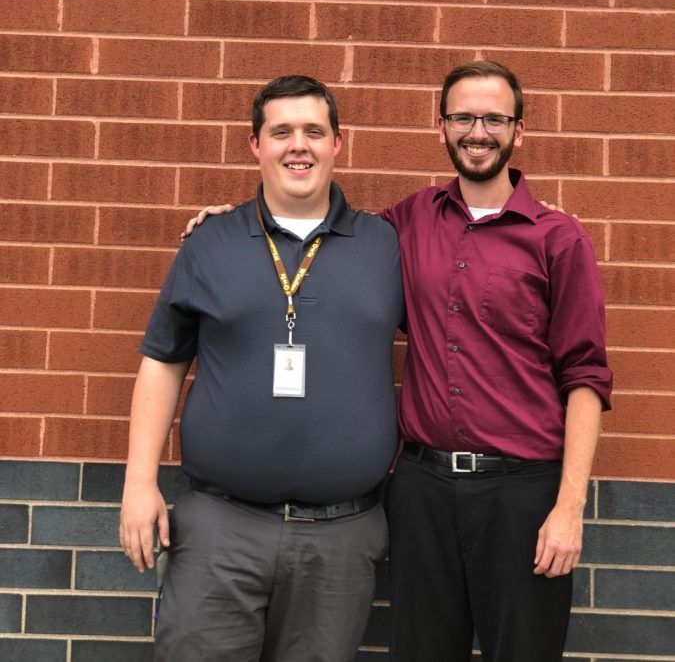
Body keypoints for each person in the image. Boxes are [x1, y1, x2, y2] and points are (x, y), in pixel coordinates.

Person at [183, 61, 612, 662]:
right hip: (421, 490)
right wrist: (241, 220)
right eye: (463, 117)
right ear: (441, 127)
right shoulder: (405, 223)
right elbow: (317, 232)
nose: (478, 131)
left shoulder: (558, 239)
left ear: (520, 131)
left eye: (494, 118)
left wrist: (570, 508)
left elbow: (586, 377)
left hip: (522, 494)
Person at [120, 75, 404, 662]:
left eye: (313, 132)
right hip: (220, 527)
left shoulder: (386, 246)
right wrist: (138, 482)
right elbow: (163, 363)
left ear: (337, 144)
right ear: (255, 145)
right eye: (281, 132)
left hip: (341, 536)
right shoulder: (211, 242)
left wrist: (534, 211)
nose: (298, 145)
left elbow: (469, 248)